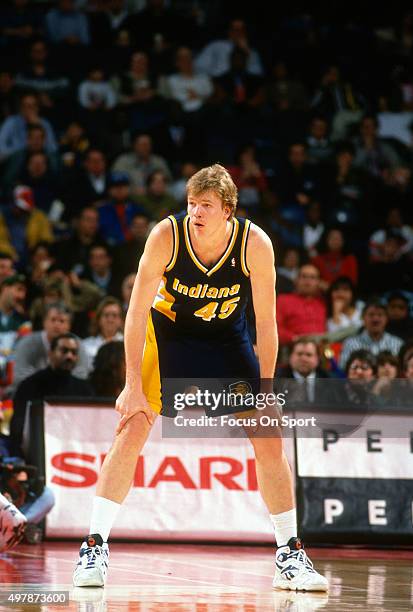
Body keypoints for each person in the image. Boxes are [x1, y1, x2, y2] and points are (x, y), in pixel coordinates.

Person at [72, 163, 327, 592]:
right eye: (192, 204)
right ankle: (94, 545)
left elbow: (266, 324)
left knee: (269, 433)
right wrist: (131, 385)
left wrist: (265, 390)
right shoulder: (167, 235)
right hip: (169, 333)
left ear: (229, 210)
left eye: (206, 205)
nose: (196, 213)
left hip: (226, 338)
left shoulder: (255, 244)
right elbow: (135, 312)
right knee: (132, 426)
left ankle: (290, 554)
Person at [10, 333, 93, 456]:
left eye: (73, 352)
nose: (69, 356)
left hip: (77, 452)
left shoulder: (85, 389)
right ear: (50, 353)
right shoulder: (29, 385)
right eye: (64, 351)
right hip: (40, 452)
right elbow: (19, 426)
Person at [12, 302, 89, 390]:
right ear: (44, 322)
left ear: (69, 326)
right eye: (53, 320)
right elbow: (21, 375)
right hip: (33, 392)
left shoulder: (77, 344)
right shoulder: (27, 343)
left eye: (62, 321)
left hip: (66, 393)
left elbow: (81, 374)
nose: (57, 325)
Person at [339, 300, 404, 370]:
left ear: (386, 319)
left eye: (380, 315)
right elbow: (343, 369)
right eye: (371, 315)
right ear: (363, 318)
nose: (375, 319)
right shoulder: (350, 343)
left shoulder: (398, 344)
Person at [82, 297, 124, 374]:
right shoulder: (85, 345)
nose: (110, 320)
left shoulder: (128, 345)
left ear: (121, 320)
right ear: (98, 319)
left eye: (114, 315)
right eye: (106, 315)